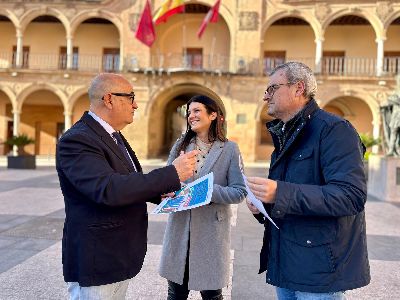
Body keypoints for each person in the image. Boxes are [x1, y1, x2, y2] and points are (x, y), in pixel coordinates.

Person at [56, 73, 198, 300]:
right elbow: (107, 189)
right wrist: (172, 173)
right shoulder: (78, 140)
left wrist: (160, 194)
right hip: (97, 260)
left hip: (117, 256)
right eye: (130, 97)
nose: (136, 105)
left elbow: (126, 180)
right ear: (109, 99)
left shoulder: (113, 136)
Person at [246, 62, 370, 299]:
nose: (265, 96)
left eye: (272, 88)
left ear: (298, 88)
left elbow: (351, 196)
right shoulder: (285, 135)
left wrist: (279, 192)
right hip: (286, 263)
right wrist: (263, 206)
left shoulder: (335, 130)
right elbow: (291, 197)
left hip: (319, 271)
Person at [159, 95, 247, 300]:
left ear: (213, 115)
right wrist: (167, 189)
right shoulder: (180, 145)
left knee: (212, 295)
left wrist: (206, 191)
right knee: (175, 293)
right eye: (189, 112)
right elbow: (165, 181)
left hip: (211, 235)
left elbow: (239, 191)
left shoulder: (230, 149)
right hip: (180, 231)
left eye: (197, 111)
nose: (191, 116)